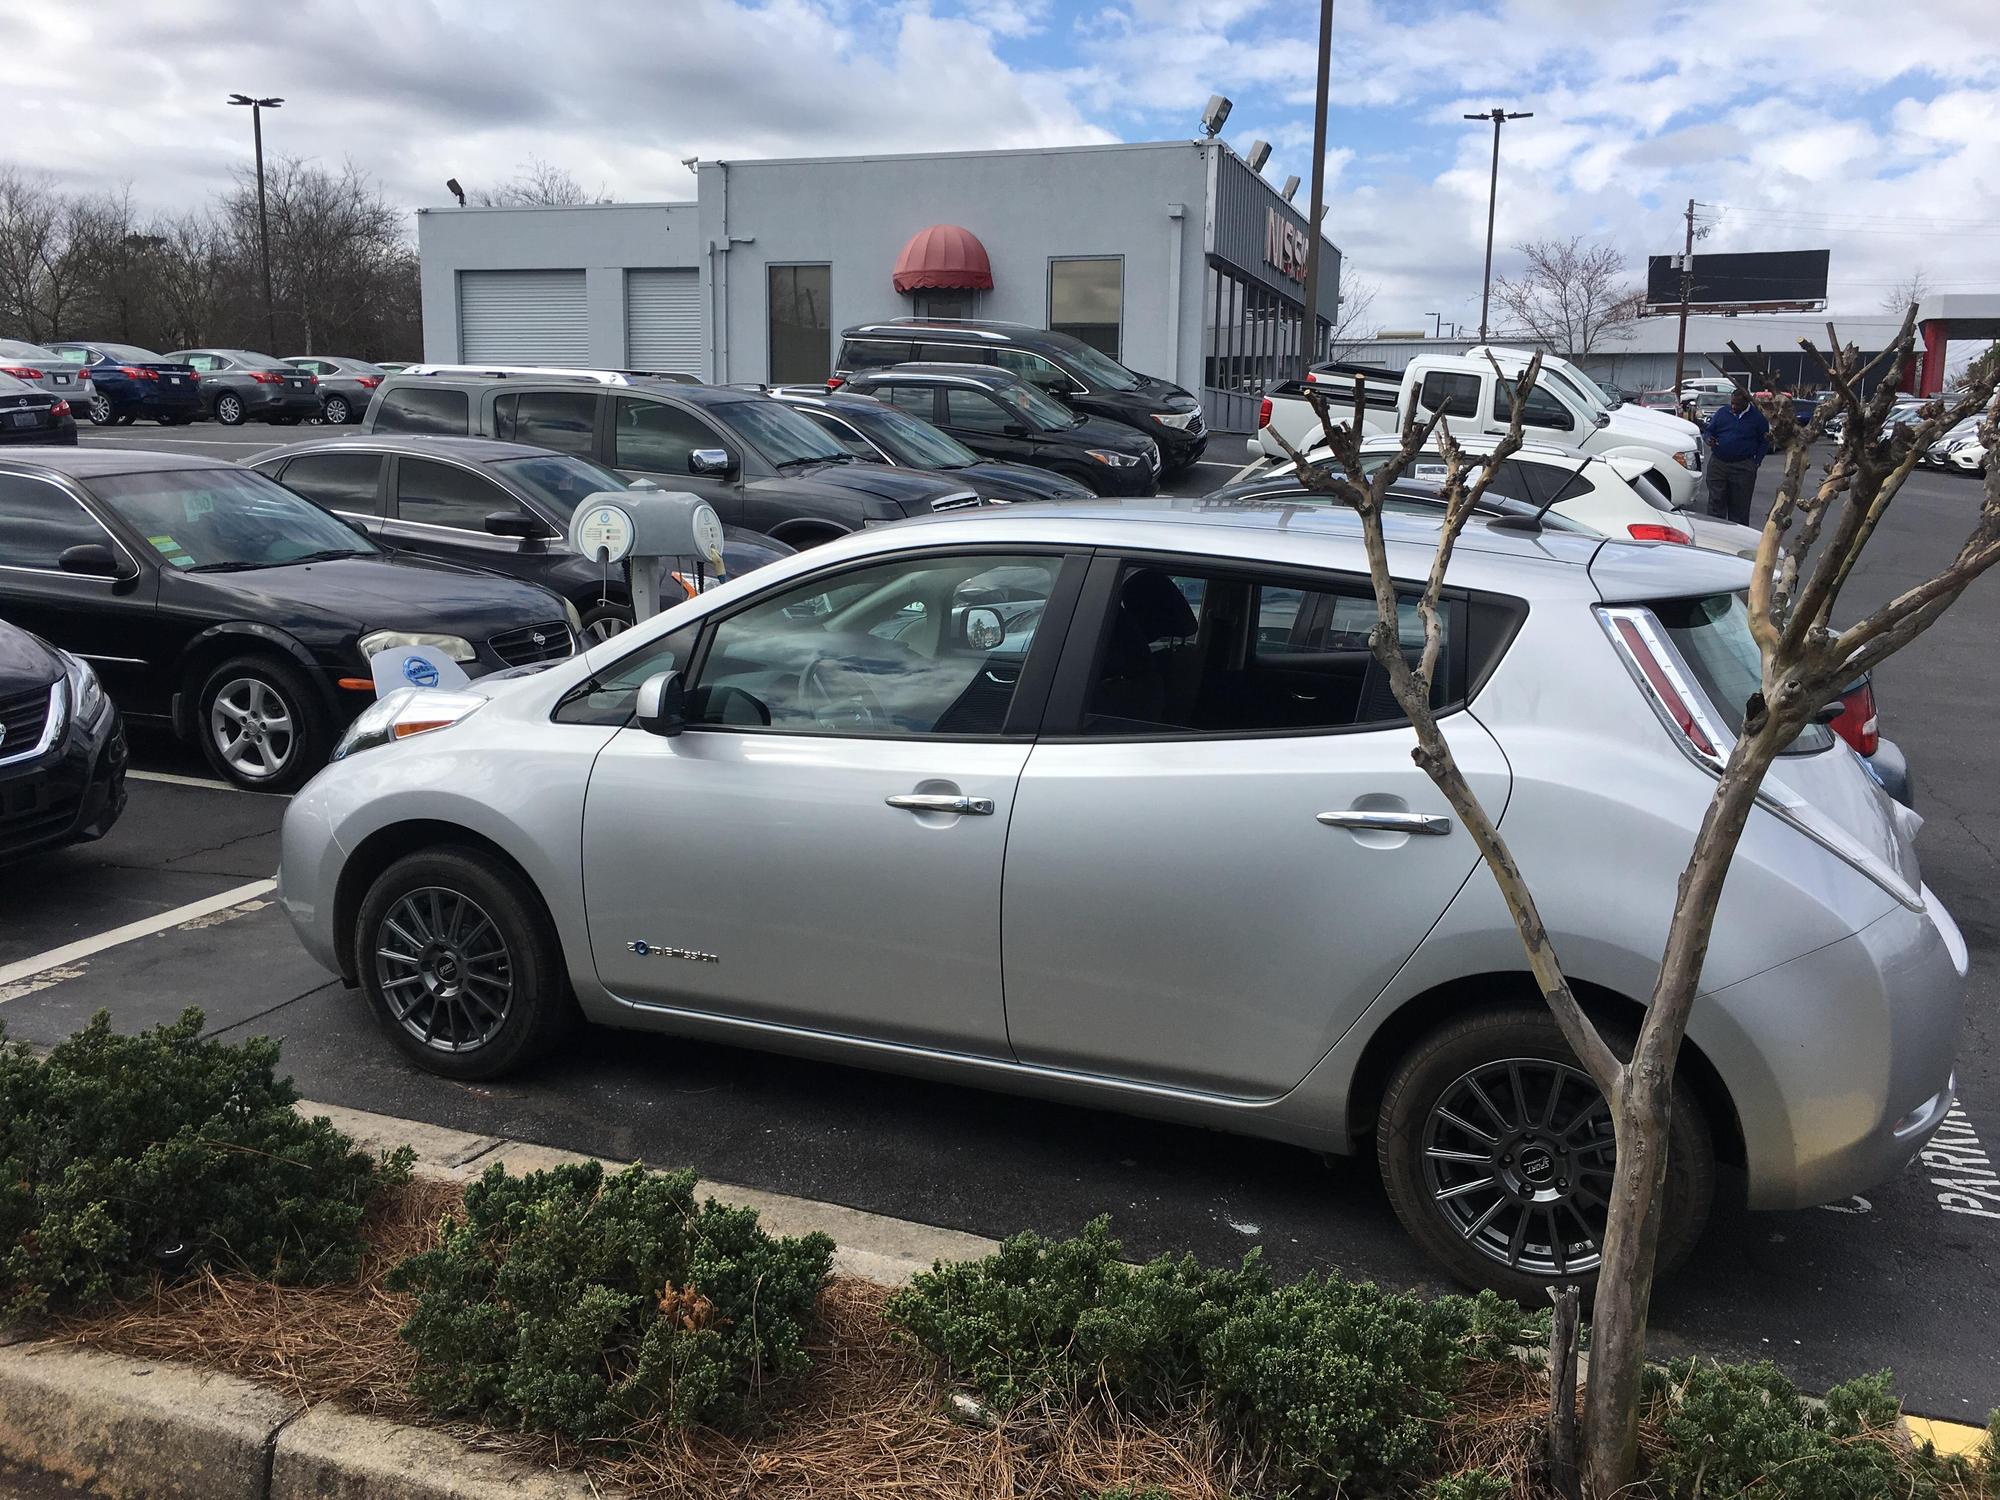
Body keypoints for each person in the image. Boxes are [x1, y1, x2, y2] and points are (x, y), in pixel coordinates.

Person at [1702, 387, 1769, 526]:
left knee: (1740, 507)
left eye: (1737, 404)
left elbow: (1764, 441)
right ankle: (1714, 533)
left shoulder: (1757, 417)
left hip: (1743, 466)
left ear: (1746, 403)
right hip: (1719, 463)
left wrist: (1756, 462)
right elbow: (1709, 431)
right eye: (1732, 403)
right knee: (1716, 502)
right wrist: (1709, 439)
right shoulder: (1722, 413)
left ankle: (1737, 538)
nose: (1733, 406)